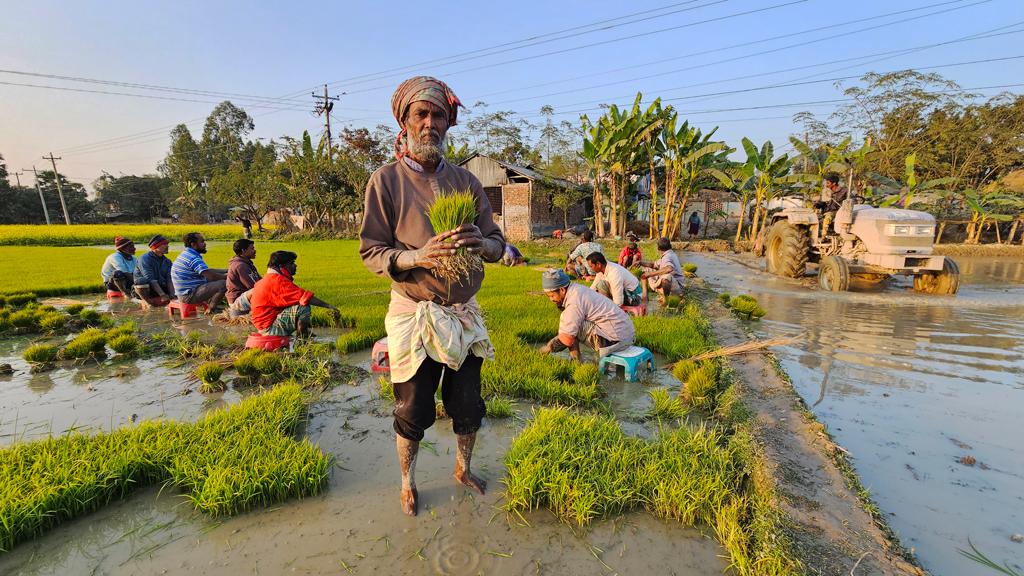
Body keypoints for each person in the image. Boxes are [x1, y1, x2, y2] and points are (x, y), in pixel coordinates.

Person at [359, 75, 506, 517]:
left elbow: (498, 244)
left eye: (438, 114)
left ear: (449, 122)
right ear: (404, 122)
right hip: (412, 312)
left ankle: (462, 468)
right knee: (413, 408)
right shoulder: (385, 181)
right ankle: (407, 482)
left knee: (467, 404)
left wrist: (483, 244)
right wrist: (418, 256)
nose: (430, 123)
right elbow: (371, 250)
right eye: (420, 114)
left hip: (462, 312)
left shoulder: (466, 181)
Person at [539, 269, 635, 362]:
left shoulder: (573, 302)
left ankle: (576, 361)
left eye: (552, 296)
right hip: (628, 335)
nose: (551, 300)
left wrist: (547, 349)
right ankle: (576, 359)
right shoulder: (577, 289)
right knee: (571, 325)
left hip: (616, 341)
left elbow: (566, 339)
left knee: (571, 328)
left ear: (562, 290)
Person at [248, 250, 340, 338]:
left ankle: (305, 333)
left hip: (263, 325)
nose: (295, 266)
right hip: (270, 328)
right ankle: (302, 340)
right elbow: (305, 297)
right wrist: (329, 306)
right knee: (303, 307)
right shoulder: (277, 281)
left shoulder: (267, 279)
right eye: (291, 263)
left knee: (296, 305)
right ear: (281, 267)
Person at [171, 232, 227, 311]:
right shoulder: (193, 258)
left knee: (216, 280)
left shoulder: (186, 254)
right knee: (223, 284)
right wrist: (229, 276)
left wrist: (227, 270)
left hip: (185, 293)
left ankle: (211, 305)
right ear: (193, 244)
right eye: (202, 242)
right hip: (188, 296)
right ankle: (211, 309)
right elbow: (211, 276)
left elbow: (207, 271)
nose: (205, 244)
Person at [640, 237, 686, 304]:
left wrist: (650, 274)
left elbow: (669, 268)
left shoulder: (667, 257)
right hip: (676, 285)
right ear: (669, 246)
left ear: (659, 249)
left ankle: (665, 299)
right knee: (646, 270)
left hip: (676, 288)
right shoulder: (670, 254)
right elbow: (653, 265)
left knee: (666, 277)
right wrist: (640, 262)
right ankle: (645, 296)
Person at [133, 234, 174, 306]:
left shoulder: (167, 261)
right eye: (164, 244)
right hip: (147, 289)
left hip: (160, 286)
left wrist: (172, 295)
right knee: (142, 281)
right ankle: (148, 302)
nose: (167, 246)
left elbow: (169, 278)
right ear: (156, 247)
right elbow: (150, 279)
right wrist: (162, 295)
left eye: (167, 244)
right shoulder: (144, 259)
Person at [226, 239, 261, 317]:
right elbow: (252, 287)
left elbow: (261, 281)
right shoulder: (241, 266)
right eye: (252, 248)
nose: (254, 251)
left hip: (244, 297)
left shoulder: (247, 263)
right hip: (237, 302)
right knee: (259, 290)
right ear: (243, 250)